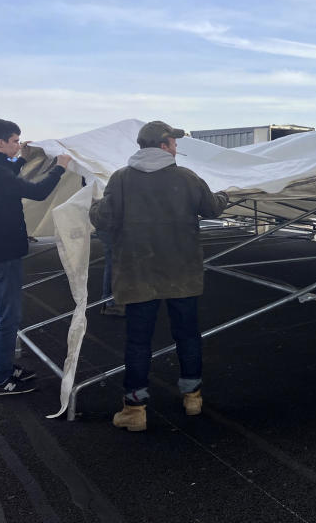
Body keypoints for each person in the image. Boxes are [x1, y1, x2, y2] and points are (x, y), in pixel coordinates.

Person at [90, 121, 229, 432]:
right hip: (182, 273)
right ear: (165, 144)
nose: (177, 148)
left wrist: (95, 204)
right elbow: (212, 209)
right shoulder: (186, 177)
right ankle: (192, 397)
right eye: (175, 142)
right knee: (187, 336)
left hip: (138, 274)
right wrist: (225, 196)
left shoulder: (121, 179)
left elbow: (103, 220)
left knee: (138, 342)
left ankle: (134, 409)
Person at [0, 119, 71, 395]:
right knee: (8, 316)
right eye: (14, 140)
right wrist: (60, 166)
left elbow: (7, 174)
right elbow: (38, 193)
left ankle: (4, 367)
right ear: (0, 142)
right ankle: (0, 379)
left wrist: (22, 160)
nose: (18, 144)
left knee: (6, 313)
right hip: (1, 253)